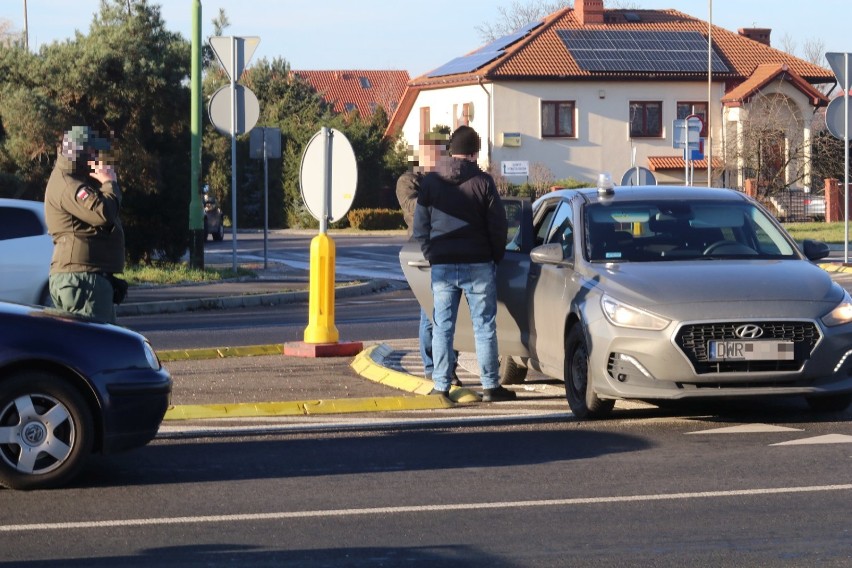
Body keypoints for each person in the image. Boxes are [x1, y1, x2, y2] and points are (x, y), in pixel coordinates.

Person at [413, 125, 515, 402]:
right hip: (479, 263)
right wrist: (495, 256)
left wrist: (431, 253)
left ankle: (441, 384)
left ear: (450, 151)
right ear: (473, 153)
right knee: (484, 326)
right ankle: (491, 386)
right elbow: (498, 226)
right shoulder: (483, 182)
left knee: (443, 326)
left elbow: (420, 225)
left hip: (443, 265)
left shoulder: (431, 183)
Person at [396, 133, 461, 386]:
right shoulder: (408, 181)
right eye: (430, 155)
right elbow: (413, 207)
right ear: (421, 156)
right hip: (423, 253)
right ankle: (431, 366)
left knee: (452, 313)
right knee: (430, 311)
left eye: (439, 155)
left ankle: (448, 366)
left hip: (452, 248)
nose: (435, 160)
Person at [44, 125, 126, 324]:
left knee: (101, 345)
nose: (98, 156)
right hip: (82, 280)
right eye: (93, 151)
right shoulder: (69, 184)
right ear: (79, 153)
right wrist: (109, 183)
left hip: (85, 278)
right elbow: (103, 213)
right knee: (96, 347)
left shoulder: (73, 180)